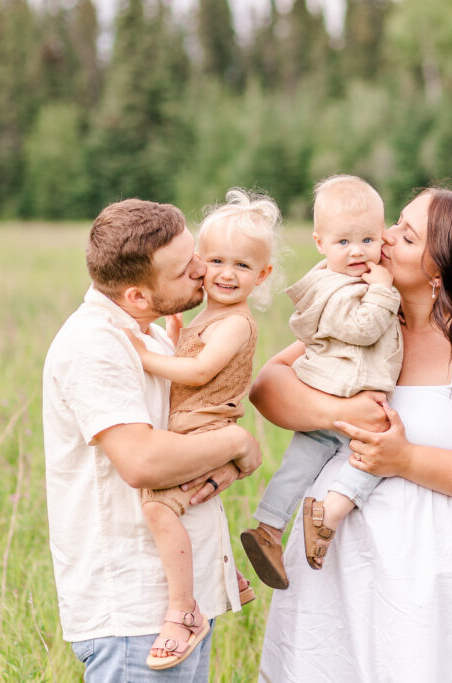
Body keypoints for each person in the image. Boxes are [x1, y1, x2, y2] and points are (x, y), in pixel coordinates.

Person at [251, 188, 452, 681]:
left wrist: (405, 459)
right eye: (396, 223)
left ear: (440, 269)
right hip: (334, 567)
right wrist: (341, 410)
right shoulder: (364, 318)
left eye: (407, 236)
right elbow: (268, 388)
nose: (386, 239)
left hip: (428, 576)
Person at [41, 198, 261, 682]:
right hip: (134, 614)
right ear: (138, 296)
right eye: (187, 270)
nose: (204, 272)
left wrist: (238, 456)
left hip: (179, 606)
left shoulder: (154, 338)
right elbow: (141, 461)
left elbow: (186, 437)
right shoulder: (94, 346)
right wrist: (238, 443)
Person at [124, 189, 282, 670]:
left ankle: (184, 608)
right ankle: (221, 571)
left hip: (201, 429)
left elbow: (196, 373)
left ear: (263, 275)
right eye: (215, 260)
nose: (226, 274)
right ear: (199, 262)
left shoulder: (235, 323)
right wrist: (174, 334)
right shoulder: (207, 315)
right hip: (194, 426)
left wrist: (144, 355)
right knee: (187, 503)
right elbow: (189, 352)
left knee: (159, 508)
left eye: (242, 266)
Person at [240, 175, 402, 590]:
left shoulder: (332, 280)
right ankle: (327, 513)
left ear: (382, 237)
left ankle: (269, 530)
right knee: (372, 457)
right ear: (319, 243)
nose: (357, 252)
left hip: (321, 396)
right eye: (343, 242)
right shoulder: (341, 290)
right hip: (347, 395)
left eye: (368, 240)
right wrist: (384, 290)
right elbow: (365, 329)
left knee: (296, 467)